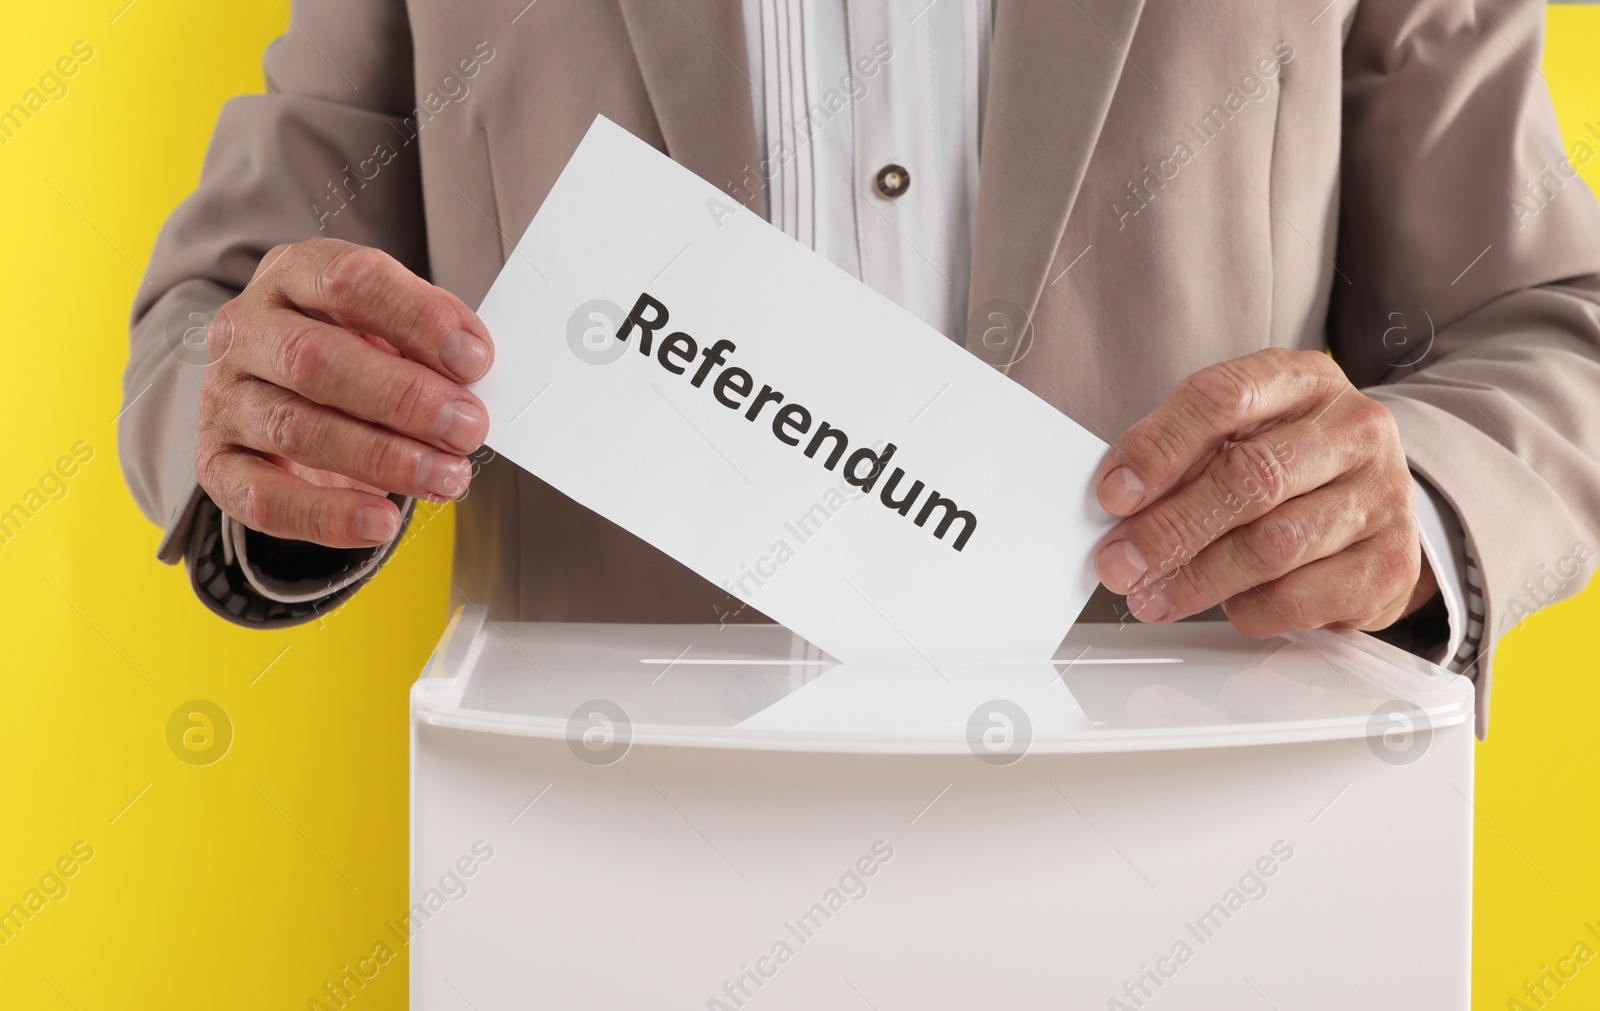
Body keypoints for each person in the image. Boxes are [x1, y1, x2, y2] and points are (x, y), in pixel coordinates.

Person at [121, 0, 1600, 733]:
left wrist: (1413, 505)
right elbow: (225, 307)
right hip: (600, 907)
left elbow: (1546, 325)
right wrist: (262, 406)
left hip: (1197, 890)